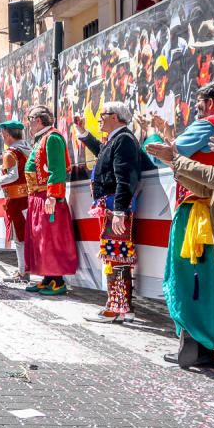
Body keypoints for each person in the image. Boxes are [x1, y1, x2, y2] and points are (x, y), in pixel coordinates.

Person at [146, 81, 214, 367]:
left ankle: (194, 347)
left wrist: (159, 139)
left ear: (211, 103)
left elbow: (168, 153)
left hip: (197, 213)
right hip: (205, 210)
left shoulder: (209, 123)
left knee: (187, 279)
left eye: (199, 106)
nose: (198, 113)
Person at [73, 102, 142, 322]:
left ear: (116, 117)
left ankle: (116, 309)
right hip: (113, 207)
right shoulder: (119, 139)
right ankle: (124, 308)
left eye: (103, 115)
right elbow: (103, 153)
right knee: (117, 256)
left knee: (116, 256)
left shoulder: (123, 140)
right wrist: (83, 133)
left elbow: (125, 178)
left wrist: (120, 210)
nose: (100, 118)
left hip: (115, 208)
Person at [24, 105, 77, 295]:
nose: (28, 123)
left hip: (48, 197)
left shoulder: (53, 138)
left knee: (51, 239)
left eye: (30, 119)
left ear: (38, 120)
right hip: (38, 197)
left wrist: (53, 196)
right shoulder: (42, 139)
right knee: (41, 239)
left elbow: (57, 170)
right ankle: (47, 277)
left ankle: (57, 280)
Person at [0, 121, 32, 283]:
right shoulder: (29, 150)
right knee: (27, 236)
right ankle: (25, 269)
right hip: (29, 198)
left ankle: (22, 271)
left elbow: (13, 176)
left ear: (7, 135)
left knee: (19, 237)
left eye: (3, 135)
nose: (3, 137)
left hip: (16, 200)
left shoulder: (10, 153)